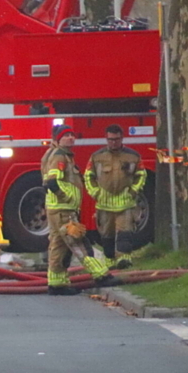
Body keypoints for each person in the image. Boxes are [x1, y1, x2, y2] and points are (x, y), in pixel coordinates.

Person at [43, 124, 120, 295]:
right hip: (63, 210)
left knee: (59, 246)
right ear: (58, 139)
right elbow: (51, 182)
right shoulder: (60, 157)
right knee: (79, 243)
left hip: (57, 209)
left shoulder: (61, 155)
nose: (71, 137)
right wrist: (66, 198)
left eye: (72, 134)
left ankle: (56, 284)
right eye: (66, 135)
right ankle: (101, 275)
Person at [84, 124, 147, 269]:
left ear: (122, 138)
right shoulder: (97, 157)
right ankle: (109, 261)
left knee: (124, 232)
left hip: (125, 203)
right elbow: (88, 176)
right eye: (110, 139)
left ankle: (124, 260)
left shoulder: (133, 156)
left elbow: (141, 175)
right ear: (106, 139)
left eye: (116, 139)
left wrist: (133, 191)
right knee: (106, 236)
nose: (113, 142)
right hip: (104, 204)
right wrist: (95, 193)